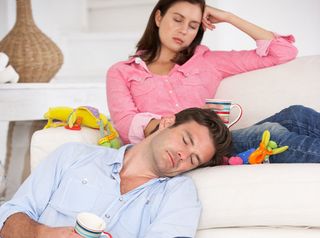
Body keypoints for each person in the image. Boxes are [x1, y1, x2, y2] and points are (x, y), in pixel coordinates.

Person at [106, 0, 320, 163]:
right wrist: (177, 122)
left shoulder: (208, 62)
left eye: (193, 25)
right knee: (271, 134)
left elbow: (282, 52)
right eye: (177, 19)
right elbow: (126, 126)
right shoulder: (122, 72)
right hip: (187, 150)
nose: (183, 30)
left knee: (296, 114)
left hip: (218, 139)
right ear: (159, 18)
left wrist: (229, 17)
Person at [0, 108, 232, 238]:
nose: (183, 155)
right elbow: (8, 217)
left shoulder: (178, 194)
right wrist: (42, 233)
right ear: (166, 123)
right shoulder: (72, 156)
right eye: (185, 140)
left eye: (193, 159)